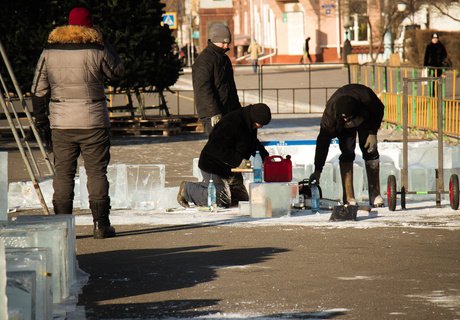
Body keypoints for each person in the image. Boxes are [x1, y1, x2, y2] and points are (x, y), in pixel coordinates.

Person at [31, 6, 124, 239]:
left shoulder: (49, 52)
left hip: (62, 123)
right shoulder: (97, 49)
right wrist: (105, 43)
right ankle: (101, 225)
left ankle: (62, 227)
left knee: (63, 173)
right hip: (94, 121)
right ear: (90, 26)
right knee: (96, 173)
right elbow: (117, 73)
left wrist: (41, 120)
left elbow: (37, 90)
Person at [177, 103, 272, 208]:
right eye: (259, 124)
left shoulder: (249, 123)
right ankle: (187, 189)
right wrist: (239, 161)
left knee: (240, 199)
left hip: (231, 168)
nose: (260, 127)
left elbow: (252, 142)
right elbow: (215, 148)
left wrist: (265, 157)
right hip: (213, 165)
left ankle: (214, 187)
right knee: (221, 199)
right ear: (253, 117)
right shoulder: (232, 122)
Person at [309, 84, 385, 208]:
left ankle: (375, 193)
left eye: (349, 120)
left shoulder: (367, 99)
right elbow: (323, 142)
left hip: (365, 118)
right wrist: (318, 169)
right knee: (347, 151)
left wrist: (372, 132)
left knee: (369, 149)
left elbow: (379, 110)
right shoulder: (330, 116)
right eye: (345, 120)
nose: (348, 122)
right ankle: (349, 196)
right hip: (341, 123)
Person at [192, 23, 241, 135]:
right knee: (218, 147)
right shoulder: (204, 60)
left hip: (228, 110)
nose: (225, 46)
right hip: (212, 114)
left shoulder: (224, 59)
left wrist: (237, 110)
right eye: (223, 42)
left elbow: (230, 87)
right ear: (213, 40)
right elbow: (203, 89)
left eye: (227, 43)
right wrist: (214, 112)